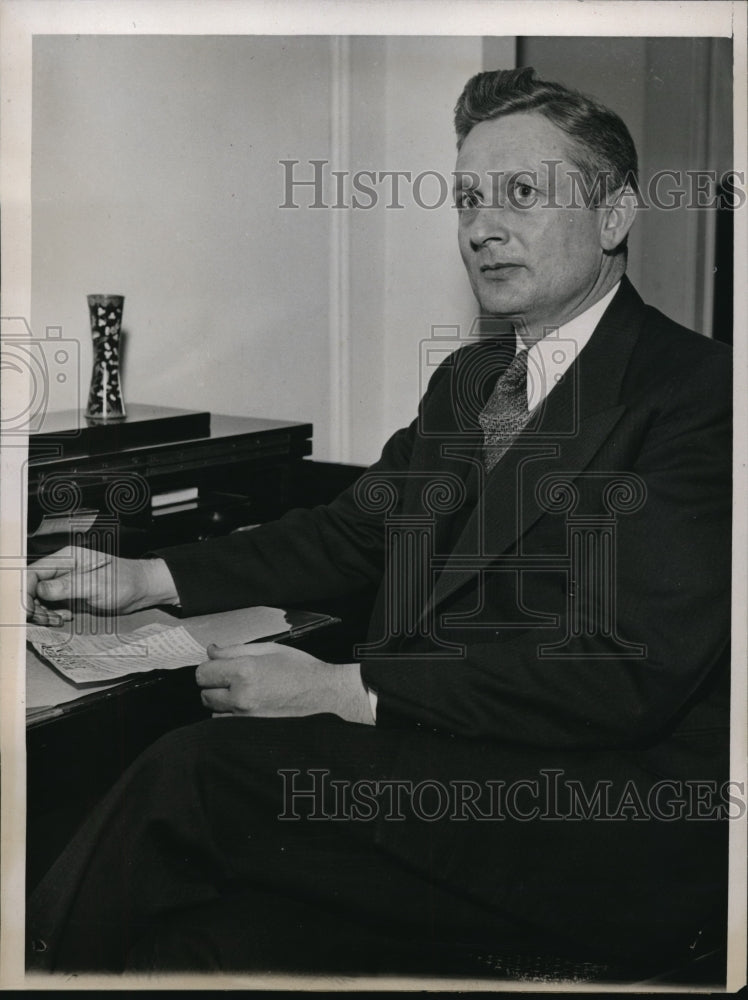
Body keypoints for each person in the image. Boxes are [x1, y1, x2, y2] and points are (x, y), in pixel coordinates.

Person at [25, 68, 732, 978]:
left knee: (199, 772)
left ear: (614, 216)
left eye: (522, 193)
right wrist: (143, 579)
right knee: (188, 945)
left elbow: (622, 668)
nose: (482, 226)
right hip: (450, 767)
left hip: (595, 819)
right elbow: (354, 530)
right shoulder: (473, 382)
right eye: (468, 198)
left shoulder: (702, 394)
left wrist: (343, 690)